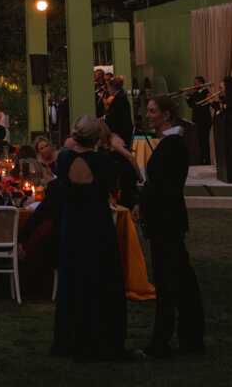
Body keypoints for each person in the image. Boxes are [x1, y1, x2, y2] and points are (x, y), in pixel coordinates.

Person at [49, 114, 131, 362]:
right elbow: (117, 186)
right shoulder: (104, 161)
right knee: (100, 281)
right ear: (96, 137)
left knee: (72, 279)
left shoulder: (63, 159)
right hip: (96, 226)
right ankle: (100, 339)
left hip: (72, 226)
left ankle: (70, 339)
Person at [135, 94, 204, 358]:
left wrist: (145, 204)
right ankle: (189, 340)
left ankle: (162, 343)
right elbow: (154, 182)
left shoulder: (173, 145)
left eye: (153, 111)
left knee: (169, 285)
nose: (148, 115)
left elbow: (162, 185)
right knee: (181, 282)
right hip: (167, 220)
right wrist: (141, 202)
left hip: (166, 222)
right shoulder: (168, 143)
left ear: (166, 115)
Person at [185, 77, 213, 165]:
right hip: (197, 120)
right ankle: (200, 160)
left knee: (204, 140)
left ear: (201, 83)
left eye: (196, 83)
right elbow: (191, 105)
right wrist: (187, 97)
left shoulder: (206, 92)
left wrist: (193, 97)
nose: (194, 85)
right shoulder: (195, 93)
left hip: (205, 120)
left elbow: (202, 104)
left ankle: (207, 160)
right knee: (199, 141)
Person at [104, 77, 134, 148]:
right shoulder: (120, 96)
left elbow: (115, 115)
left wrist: (104, 117)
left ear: (112, 88)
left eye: (109, 88)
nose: (108, 90)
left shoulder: (119, 98)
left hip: (122, 132)